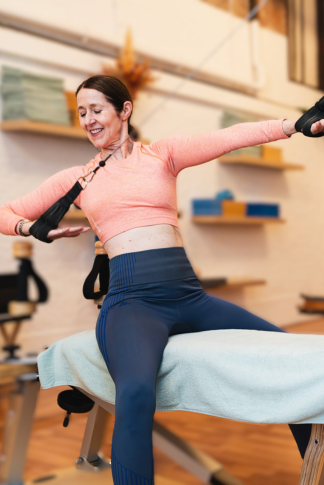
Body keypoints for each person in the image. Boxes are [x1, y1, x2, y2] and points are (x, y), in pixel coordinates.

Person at [1, 75, 323, 485]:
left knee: (289, 358)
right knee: (134, 394)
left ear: (125, 110)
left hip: (188, 295)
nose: (88, 120)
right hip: (132, 302)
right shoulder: (77, 179)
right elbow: (5, 211)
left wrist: (293, 125)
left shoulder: (162, 155)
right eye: (81, 112)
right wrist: (32, 228)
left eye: (97, 109)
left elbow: (228, 137)